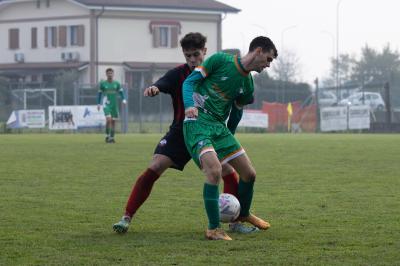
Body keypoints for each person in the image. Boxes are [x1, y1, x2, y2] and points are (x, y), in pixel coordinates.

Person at [112, 32, 257, 234]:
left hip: (208, 131)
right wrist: (154, 87)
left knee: (229, 172)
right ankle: (126, 217)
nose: (191, 60)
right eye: (187, 55)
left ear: (204, 52)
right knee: (154, 167)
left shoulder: (216, 70)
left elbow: (236, 101)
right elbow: (163, 82)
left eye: (195, 54)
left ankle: (234, 222)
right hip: (181, 132)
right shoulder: (179, 74)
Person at [182, 36, 278, 240]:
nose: (268, 65)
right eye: (268, 59)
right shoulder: (220, 60)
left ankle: (243, 214)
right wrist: (190, 105)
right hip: (197, 122)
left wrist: (229, 137)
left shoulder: (248, 85)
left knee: (249, 173)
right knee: (215, 171)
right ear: (258, 51)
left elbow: (236, 113)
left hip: (219, 128)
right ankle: (213, 229)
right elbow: (189, 82)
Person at [97, 68, 127, 143]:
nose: (110, 74)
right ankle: (107, 135)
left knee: (113, 121)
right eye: (108, 73)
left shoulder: (116, 83)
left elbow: (121, 92)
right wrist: (98, 103)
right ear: (106, 74)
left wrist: (124, 99)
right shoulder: (103, 84)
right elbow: (99, 94)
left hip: (114, 105)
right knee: (109, 120)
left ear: (113, 74)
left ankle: (112, 137)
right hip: (106, 104)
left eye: (111, 73)